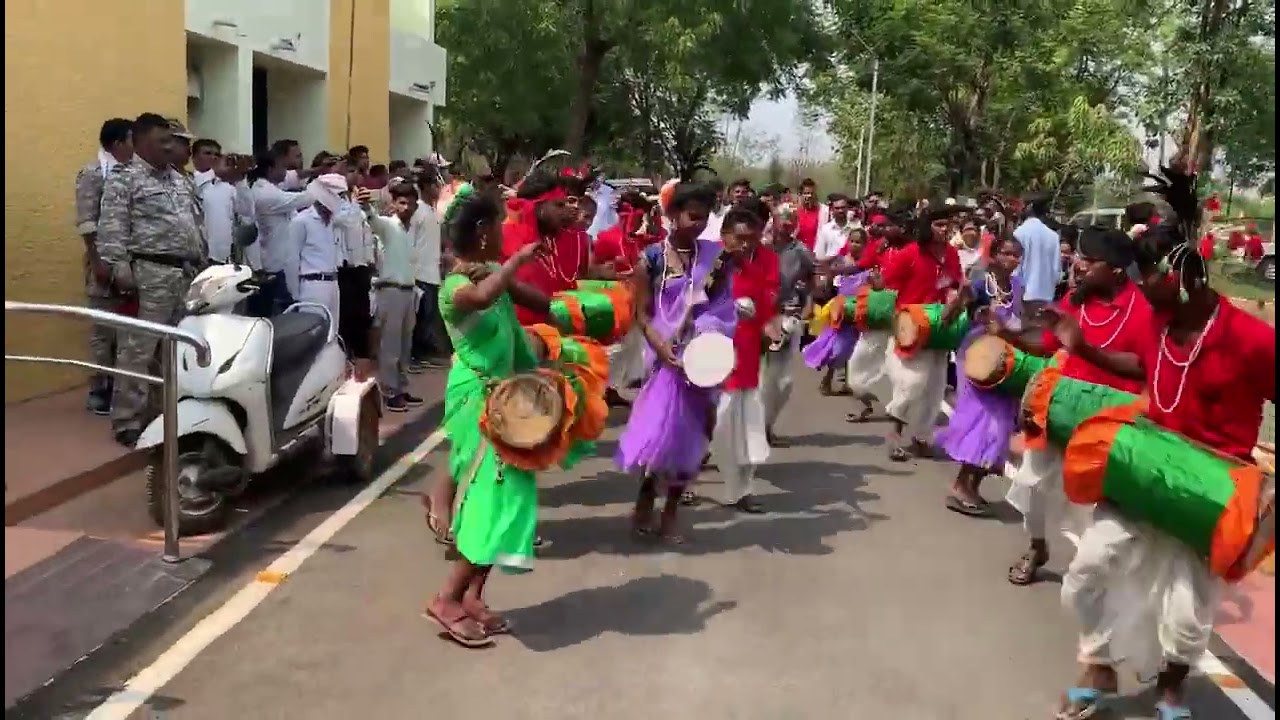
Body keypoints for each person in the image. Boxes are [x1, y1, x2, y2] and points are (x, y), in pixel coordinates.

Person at [1045, 164, 1275, 719]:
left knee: (1186, 610)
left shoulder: (1251, 340)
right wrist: (1084, 348)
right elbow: (1141, 363)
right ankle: (1098, 662)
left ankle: (1171, 692)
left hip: (1210, 486)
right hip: (1144, 464)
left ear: (1187, 275)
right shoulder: (1157, 317)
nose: (1140, 287)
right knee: (1086, 573)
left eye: (1148, 274)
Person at [424, 194, 555, 648]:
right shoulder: (454, 287)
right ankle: (446, 599)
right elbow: (480, 297)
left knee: (509, 499)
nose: (507, 233)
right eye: (501, 226)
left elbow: (541, 303)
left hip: (507, 400)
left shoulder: (490, 275)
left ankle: (474, 596)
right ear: (483, 233)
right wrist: (516, 260)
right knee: (491, 503)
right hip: (477, 402)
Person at [997, 225, 1152, 587]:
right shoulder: (1074, 301)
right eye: (1078, 257)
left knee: (1091, 511)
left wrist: (1085, 350)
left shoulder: (1142, 312)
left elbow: (1144, 368)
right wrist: (1008, 335)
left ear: (1114, 269)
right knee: (1031, 487)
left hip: (1105, 425)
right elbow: (1050, 346)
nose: (1077, 265)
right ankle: (1038, 546)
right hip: (1057, 412)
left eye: (1087, 260)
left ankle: (1093, 580)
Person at [617, 184, 740, 542]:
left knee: (697, 435)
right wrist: (662, 345)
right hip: (664, 359)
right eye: (693, 216)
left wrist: (708, 336)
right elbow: (641, 314)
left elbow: (722, 305)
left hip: (702, 360)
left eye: (704, 217)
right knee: (663, 434)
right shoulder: (651, 259)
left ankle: (670, 513)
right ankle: (646, 492)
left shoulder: (715, 258)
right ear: (672, 216)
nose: (699, 224)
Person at [96, 113, 205, 446]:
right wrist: (120, 270)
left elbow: (196, 223)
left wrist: (202, 263)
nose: (170, 147)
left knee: (175, 350)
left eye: (171, 141)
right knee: (137, 350)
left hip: (184, 274)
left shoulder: (180, 179)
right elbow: (112, 228)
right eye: (162, 141)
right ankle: (128, 420)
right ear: (141, 141)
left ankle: (163, 415)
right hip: (148, 273)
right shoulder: (124, 179)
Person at [934, 237, 1024, 515]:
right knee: (981, 423)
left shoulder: (1018, 287)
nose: (1013, 260)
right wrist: (959, 299)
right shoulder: (980, 283)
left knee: (1000, 426)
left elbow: (1020, 321)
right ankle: (961, 486)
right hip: (977, 359)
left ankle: (971, 485)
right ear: (995, 255)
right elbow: (947, 319)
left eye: (1017, 255)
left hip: (1005, 360)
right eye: (1007, 254)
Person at [713, 196, 780, 514]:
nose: (744, 245)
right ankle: (678, 483)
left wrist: (771, 327)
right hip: (711, 358)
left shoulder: (759, 266)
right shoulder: (708, 262)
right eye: (738, 238)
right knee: (714, 425)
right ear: (725, 236)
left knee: (746, 425)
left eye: (751, 239)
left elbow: (767, 308)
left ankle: (741, 490)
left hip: (748, 357)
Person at [881, 206, 963, 461]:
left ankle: (921, 437)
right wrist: (897, 321)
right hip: (911, 327)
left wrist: (954, 299)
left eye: (947, 225)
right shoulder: (909, 254)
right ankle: (894, 435)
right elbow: (888, 285)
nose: (945, 229)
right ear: (928, 227)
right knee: (911, 384)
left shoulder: (951, 254)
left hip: (940, 327)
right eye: (939, 225)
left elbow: (955, 283)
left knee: (935, 388)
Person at [75, 117, 134, 416]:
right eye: (131, 139)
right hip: (102, 262)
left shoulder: (133, 173)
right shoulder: (93, 173)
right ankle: (100, 388)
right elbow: (87, 222)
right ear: (117, 143)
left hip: (129, 263)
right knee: (103, 331)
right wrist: (97, 261)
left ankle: (125, 388)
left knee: (128, 329)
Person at [364, 182, 426, 412]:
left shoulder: (410, 231)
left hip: (408, 291)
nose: (406, 207)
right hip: (390, 290)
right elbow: (374, 222)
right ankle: (390, 392)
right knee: (390, 345)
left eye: (410, 202)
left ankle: (400, 387)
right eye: (402, 202)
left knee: (404, 345)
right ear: (393, 204)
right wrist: (367, 207)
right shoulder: (389, 225)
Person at [844, 210, 909, 422]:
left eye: (892, 226)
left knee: (896, 367)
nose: (886, 230)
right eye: (886, 226)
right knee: (857, 365)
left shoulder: (913, 251)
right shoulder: (880, 247)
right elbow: (859, 266)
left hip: (902, 317)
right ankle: (871, 403)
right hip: (877, 315)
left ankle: (899, 410)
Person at [761, 203, 816, 444]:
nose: (787, 222)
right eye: (782, 217)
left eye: (792, 218)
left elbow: (812, 275)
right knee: (760, 377)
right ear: (773, 219)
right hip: (759, 317)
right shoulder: (759, 246)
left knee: (783, 382)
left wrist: (810, 302)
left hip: (788, 316)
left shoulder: (801, 250)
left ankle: (767, 425)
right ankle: (754, 428)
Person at [501, 172, 585, 325]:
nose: (566, 210)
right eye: (559, 205)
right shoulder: (507, 237)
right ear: (537, 207)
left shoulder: (546, 240)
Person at [249, 146, 315, 316]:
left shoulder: (273, 189)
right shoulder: (265, 194)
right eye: (282, 167)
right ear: (271, 169)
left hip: (284, 264)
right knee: (278, 317)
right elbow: (305, 198)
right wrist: (325, 183)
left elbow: (294, 179)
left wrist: (319, 171)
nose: (286, 172)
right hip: (274, 265)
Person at [285, 173, 347, 330]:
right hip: (312, 284)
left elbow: (353, 217)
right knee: (313, 334)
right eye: (339, 195)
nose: (341, 199)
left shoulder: (333, 222)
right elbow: (291, 259)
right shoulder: (301, 221)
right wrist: (296, 294)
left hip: (333, 282)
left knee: (332, 334)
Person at [410, 170, 450, 369]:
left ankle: (424, 353)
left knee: (429, 315)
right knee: (421, 317)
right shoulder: (417, 212)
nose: (438, 189)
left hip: (432, 270)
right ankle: (417, 355)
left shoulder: (432, 212)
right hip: (420, 272)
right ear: (424, 188)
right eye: (434, 185)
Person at [1013, 193, 1061, 315]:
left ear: (1029, 207)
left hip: (1024, 299)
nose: (1018, 209)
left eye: (1021, 205)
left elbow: (1015, 269)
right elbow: (1057, 272)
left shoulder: (1019, 233)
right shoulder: (1053, 236)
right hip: (1046, 299)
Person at [795, 177, 826, 251]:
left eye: (811, 193)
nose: (809, 196)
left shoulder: (823, 211)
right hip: (798, 254)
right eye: (806, 193)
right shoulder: (795, 212)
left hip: (816, 254)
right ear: (801, 195)